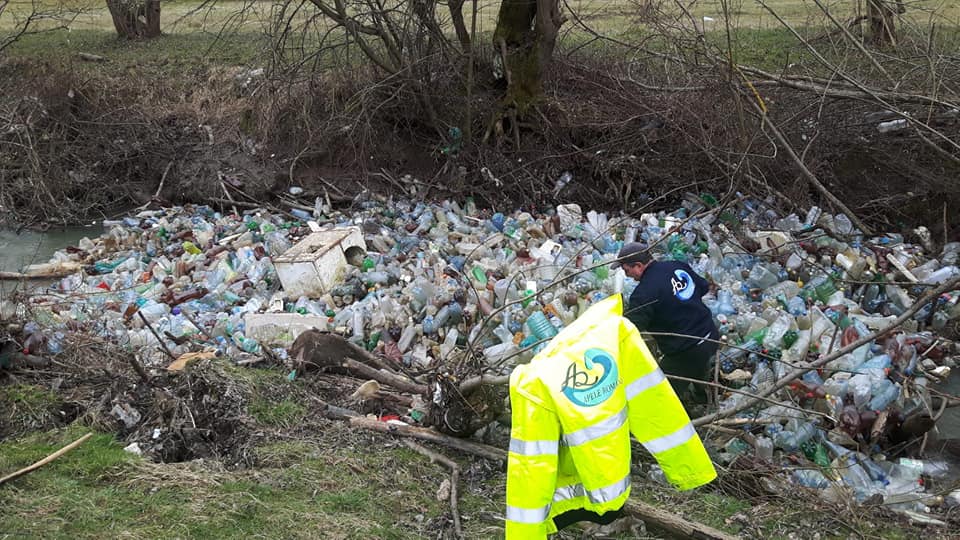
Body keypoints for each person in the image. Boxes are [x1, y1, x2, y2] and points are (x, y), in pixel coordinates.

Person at [504, 295, 716, 538]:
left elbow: (532, 464)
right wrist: (689, 469)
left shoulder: (532, 383)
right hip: (612, 487)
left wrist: (524, 534)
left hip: (568, 496)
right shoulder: (617, 336)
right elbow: (656, 405)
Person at [612, 242, 719, 404]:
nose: (627, 276)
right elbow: (703, 287)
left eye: (626, 270)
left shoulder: (644, 294)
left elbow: (630, 329)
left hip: (685, 351)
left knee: (662, 395)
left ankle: (688, 419)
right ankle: (702, 396)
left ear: (638, 266)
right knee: (699, 365)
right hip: (710, 335)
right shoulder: (677, 266)